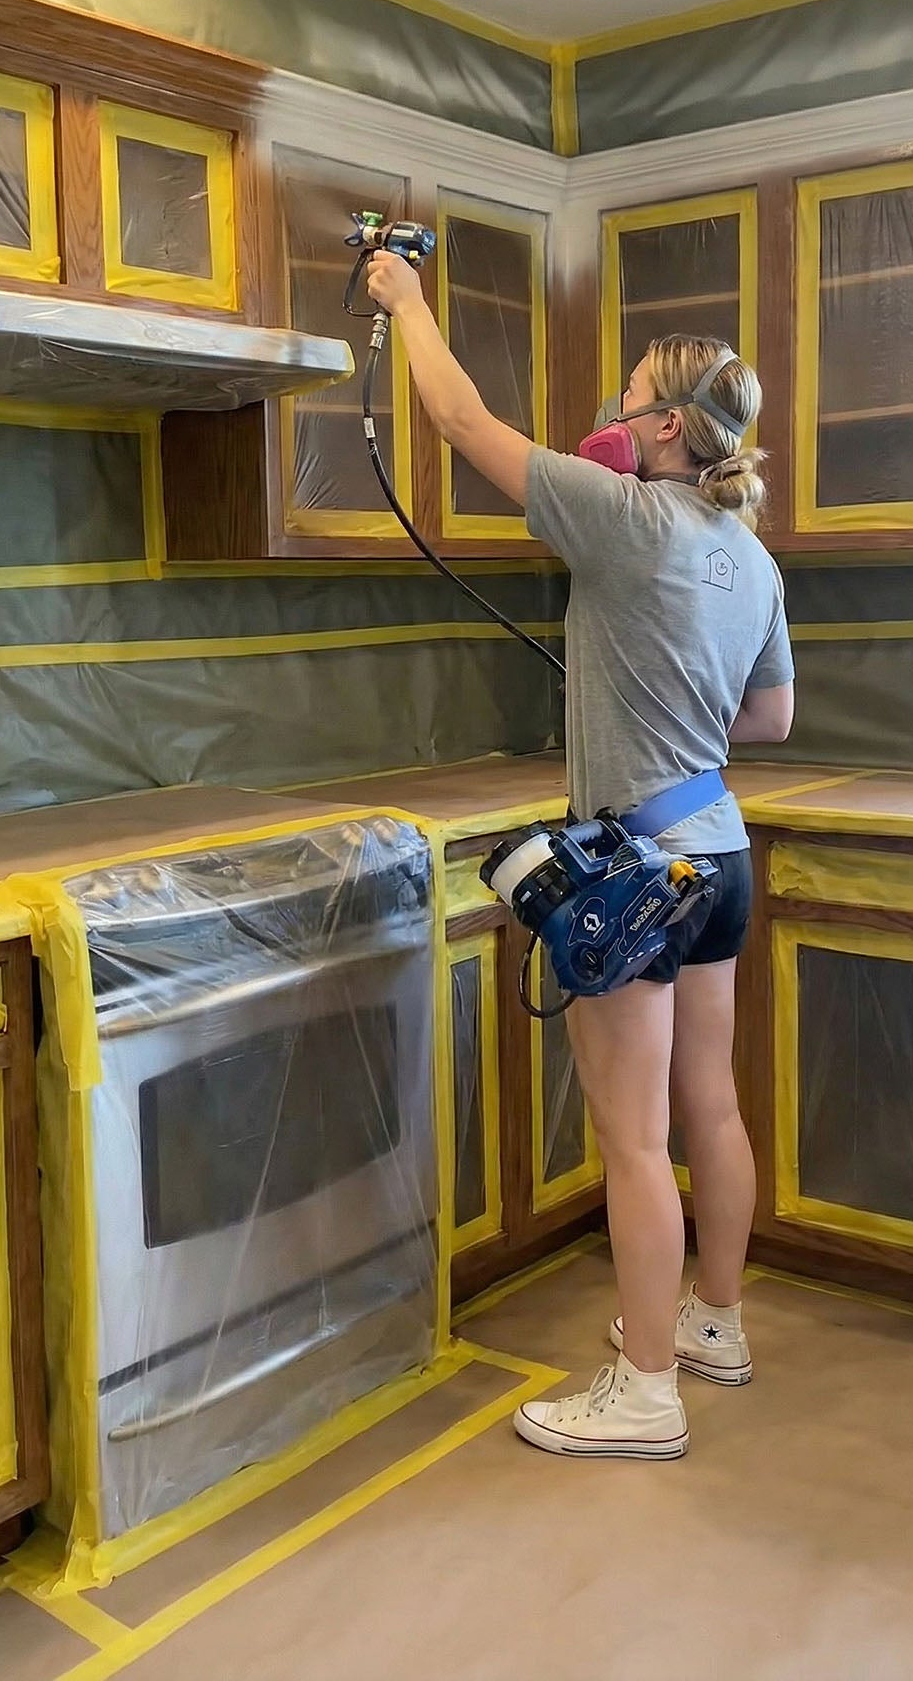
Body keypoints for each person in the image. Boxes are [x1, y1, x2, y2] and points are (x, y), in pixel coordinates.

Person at [366, 249, 794, 1461]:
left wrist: (404, 300)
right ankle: (716, 1324)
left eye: (619, 399)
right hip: (717, 854)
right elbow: (768, 723)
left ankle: (646, 1389)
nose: (601, 416)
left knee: (633, 1138)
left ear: (661, 425)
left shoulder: (621, 515)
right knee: (709, 1100)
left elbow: (457, 416)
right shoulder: (751, 556)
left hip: (633, 875)